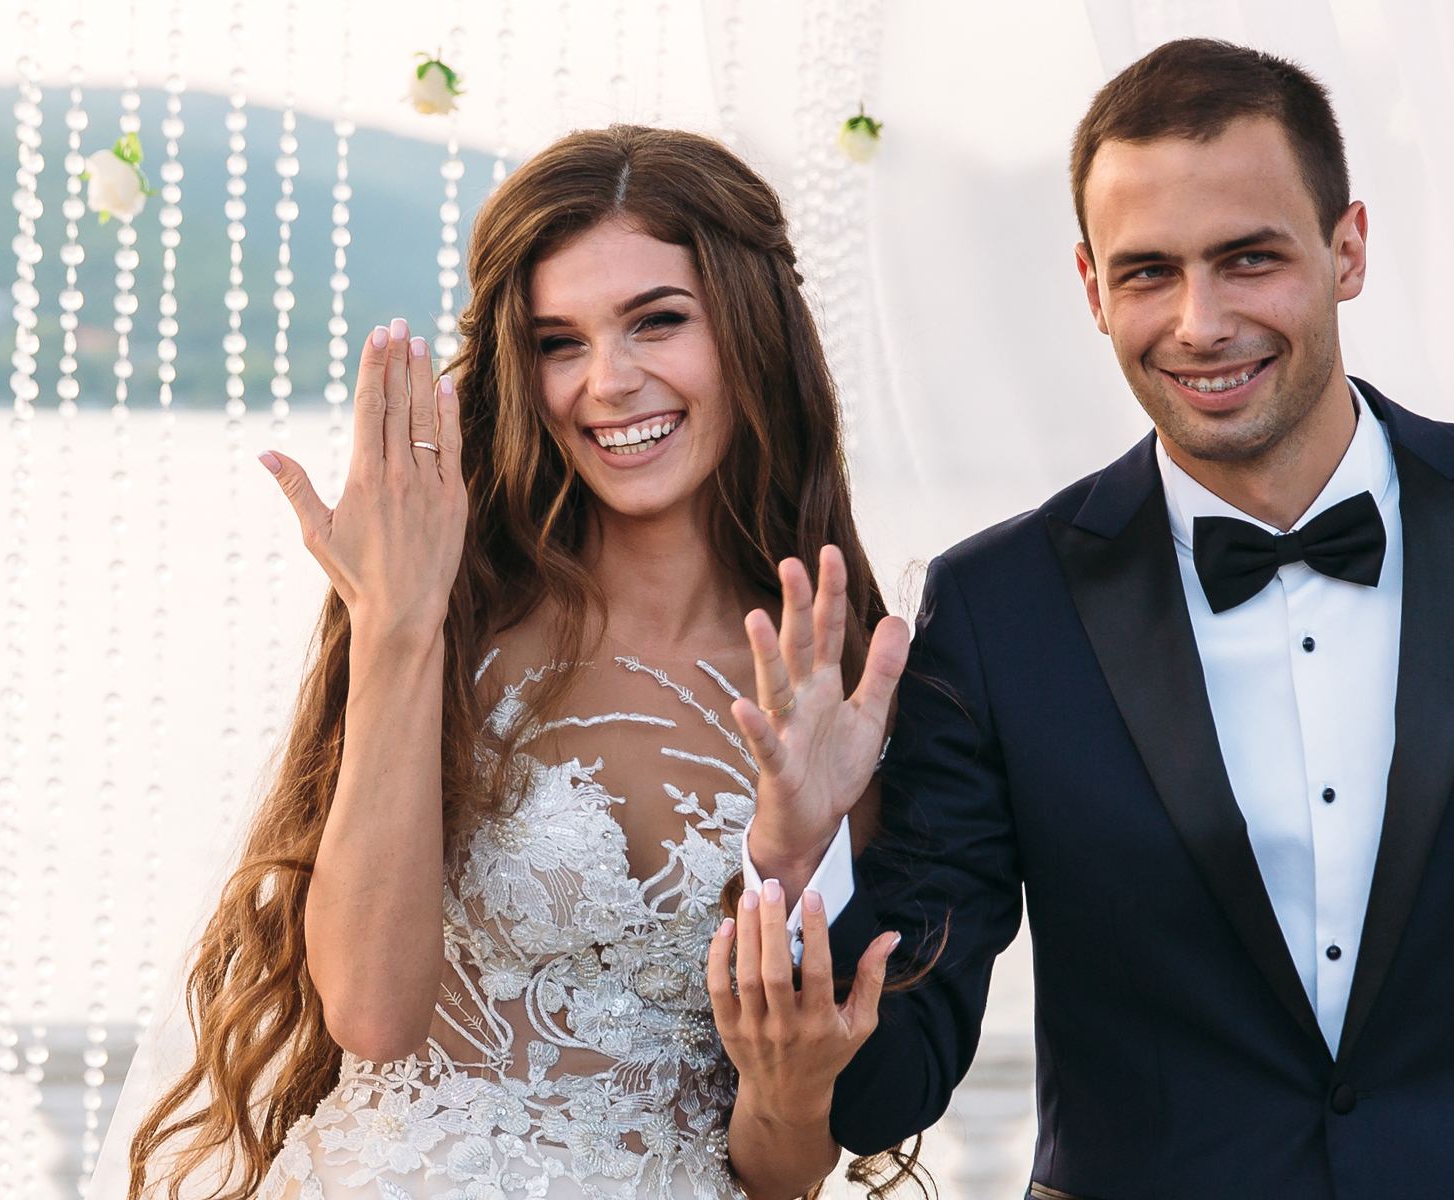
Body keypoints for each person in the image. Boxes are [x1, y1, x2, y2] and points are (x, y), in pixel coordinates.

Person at [738, 39, 1454, 1200]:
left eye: (1249, 259)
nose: (1200, 322)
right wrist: (807, 856)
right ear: (1090, 286)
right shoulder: (997, 608)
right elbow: (885, 1093)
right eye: (1149, 272)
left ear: (1347, 249)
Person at [97, 124, 914, 1200]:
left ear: (753, 330)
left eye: (657, 323)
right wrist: (396, 625)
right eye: (558, 342)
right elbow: (372, 1015)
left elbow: (781, 1169)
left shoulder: (836, 685)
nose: (608, 383)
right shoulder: (455, 611)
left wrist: (794, 860)